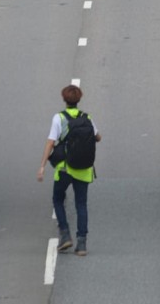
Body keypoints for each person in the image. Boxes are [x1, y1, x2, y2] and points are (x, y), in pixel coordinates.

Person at [37, 85, 101, 257]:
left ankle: (65, 234)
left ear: (64, 99)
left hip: (65, 169)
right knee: (81, 204)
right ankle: (81, 244)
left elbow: (50, 142)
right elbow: (98, 137)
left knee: (58, 199)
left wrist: (42, 165)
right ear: (79, 99)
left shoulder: (59, 118)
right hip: (84, 169)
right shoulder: (87, 117)